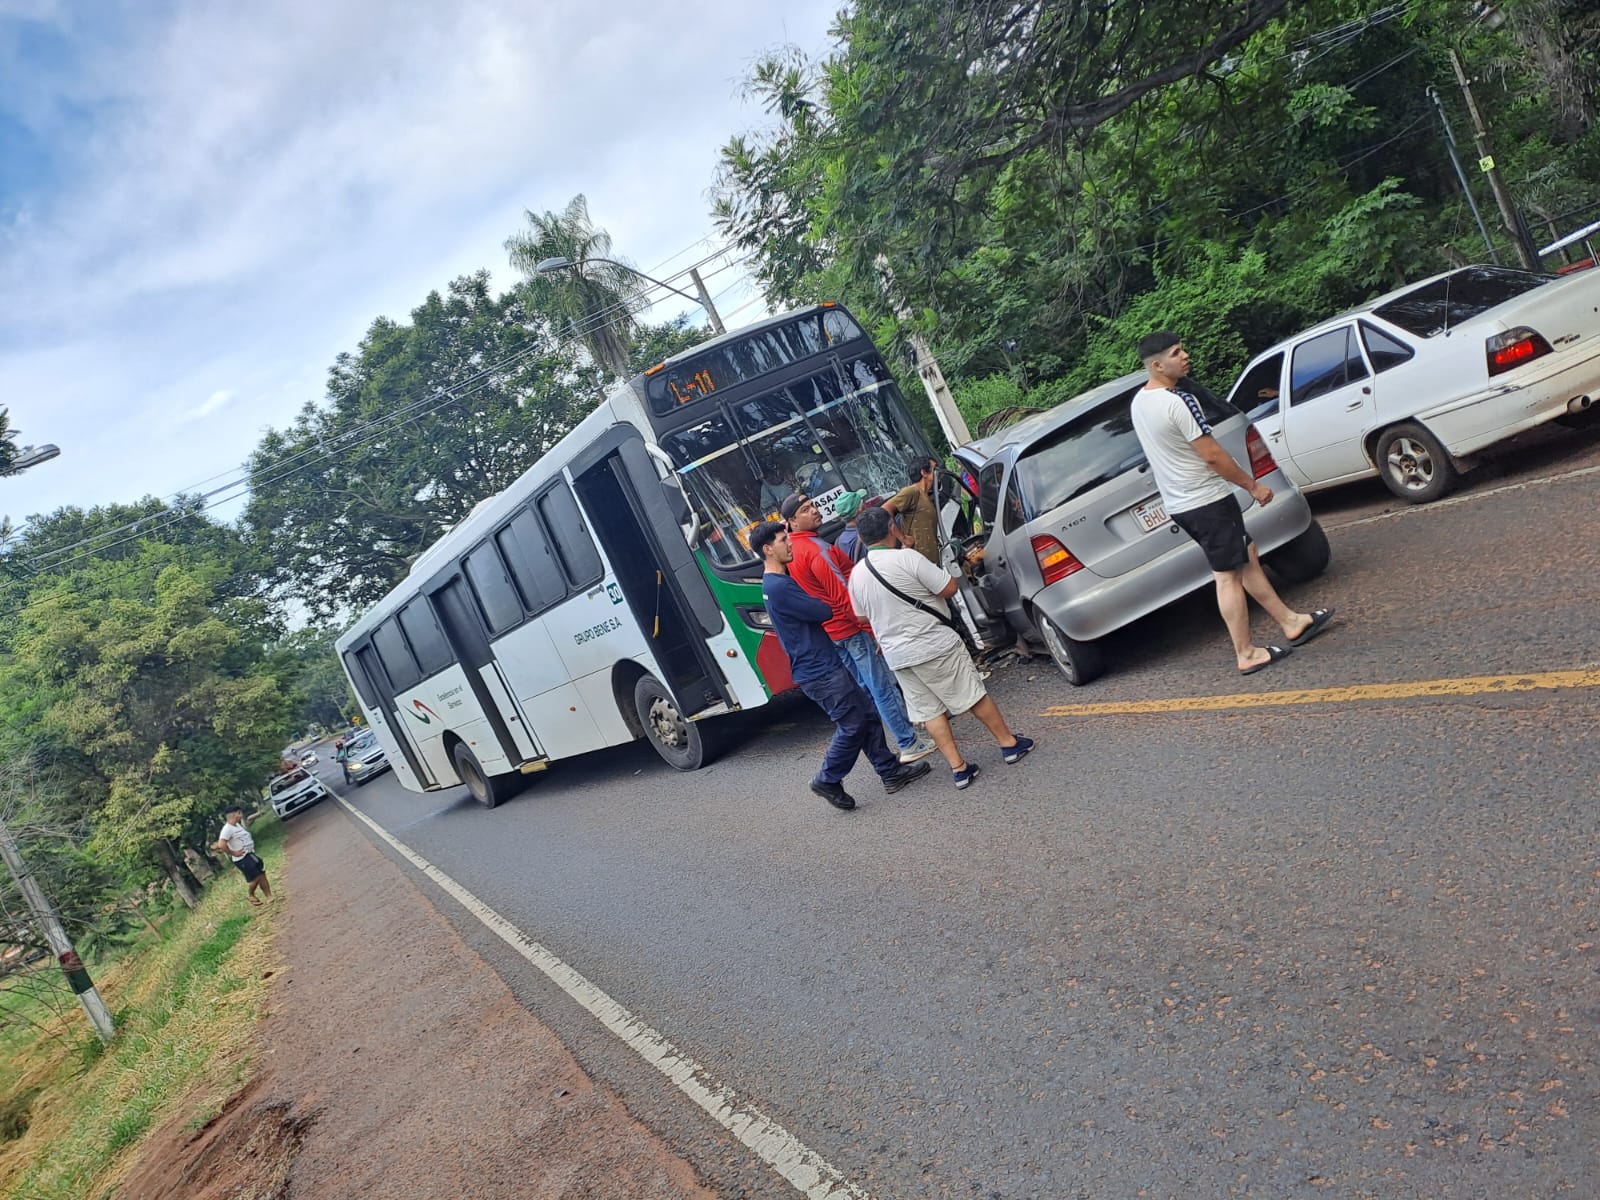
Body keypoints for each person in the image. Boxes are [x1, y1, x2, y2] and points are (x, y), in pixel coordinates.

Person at [1130, 331, 1335, 676]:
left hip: (1183, 502)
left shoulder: (1140, 402)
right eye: (1176, 353)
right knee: (1226, 576)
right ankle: (1247, 653)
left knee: (1247, 555)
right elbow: (1212, 456)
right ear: (1157, 364)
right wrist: (1253, 486)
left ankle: (1291, 622)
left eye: (1183, 349)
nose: (1185, 356)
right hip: (1205, 500)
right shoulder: (1177, 402)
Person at [847, 505, 1033, 790]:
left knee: (929, 710)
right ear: (891, 529)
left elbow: (860, 616)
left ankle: (959, 769)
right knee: (971, 694)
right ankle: (1009, 744)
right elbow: (948, 588)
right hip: (932, 642)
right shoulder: (907, 558)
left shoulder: (857, 574)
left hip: (898, 656)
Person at [753, 520, 932, 810]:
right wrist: (817, 600)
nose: (790, 544)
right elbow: (822, 609)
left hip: (821, 663)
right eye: (783, 540)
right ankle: (828, 779)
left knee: (867, 714)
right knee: (853, 724)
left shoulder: (776, 584)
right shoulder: (779, 586)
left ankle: (890, 771)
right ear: (768, 549)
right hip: (819, 669)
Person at [779, 492, 937, 765]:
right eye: (806, 510)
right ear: (792, 521)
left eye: (813, 506)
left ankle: (905, 735)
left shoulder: (794, 550)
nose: (815, 511)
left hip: (832, 632)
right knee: (882, 686)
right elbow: (843, 595)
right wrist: (870, 630)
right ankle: (909, 741)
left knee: (868, 688)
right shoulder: (817, 550)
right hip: (850, 629)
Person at [883, 456, 942, 564]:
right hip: (919, 560)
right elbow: (885, 509)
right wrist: (903, 538)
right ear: (924, 472)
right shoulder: (912, 492)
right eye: (935, 469)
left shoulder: (926, 495)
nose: (939, 473)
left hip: (931, 560)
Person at [214, 805, 272, 906]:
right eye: (239, 813)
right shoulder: (227, 829)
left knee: (262, 873)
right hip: (242, 858)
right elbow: (221, 844)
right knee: (256, 877)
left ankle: (269, 896)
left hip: (250, 854)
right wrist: (233, 852)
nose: (241, 816)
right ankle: (250, 894)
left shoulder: (237, 825)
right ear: (235, 814)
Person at [832, 489, 869, 563]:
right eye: (864, 502)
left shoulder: (839, 541)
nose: (867, 505)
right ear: (860, 509)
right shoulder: (868, 535)